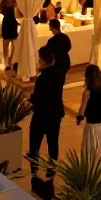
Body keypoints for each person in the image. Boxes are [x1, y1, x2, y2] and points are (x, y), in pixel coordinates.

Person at [29, 46, 66, 178]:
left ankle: (34, 168)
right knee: (53, 141)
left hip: (41, 114)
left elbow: (38, 97)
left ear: (43, 61)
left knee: (34, 142)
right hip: (55, 113)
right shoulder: (61, 75)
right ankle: (52, 167)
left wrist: (31, 98)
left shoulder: (41, 78)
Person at [75, 64, 101, 155]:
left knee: (90, 147)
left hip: (92, 123)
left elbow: (82, 108)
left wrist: (79, 118)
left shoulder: (87, 92)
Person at [0, 0, 20, 67]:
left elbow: (0, 11)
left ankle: (6, 62)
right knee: (13, 44)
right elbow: (18, 14)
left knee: (5, 44)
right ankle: (11, 60)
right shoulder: (16, 1)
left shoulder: (4, 1)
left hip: (6, 22)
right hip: (13, 23)